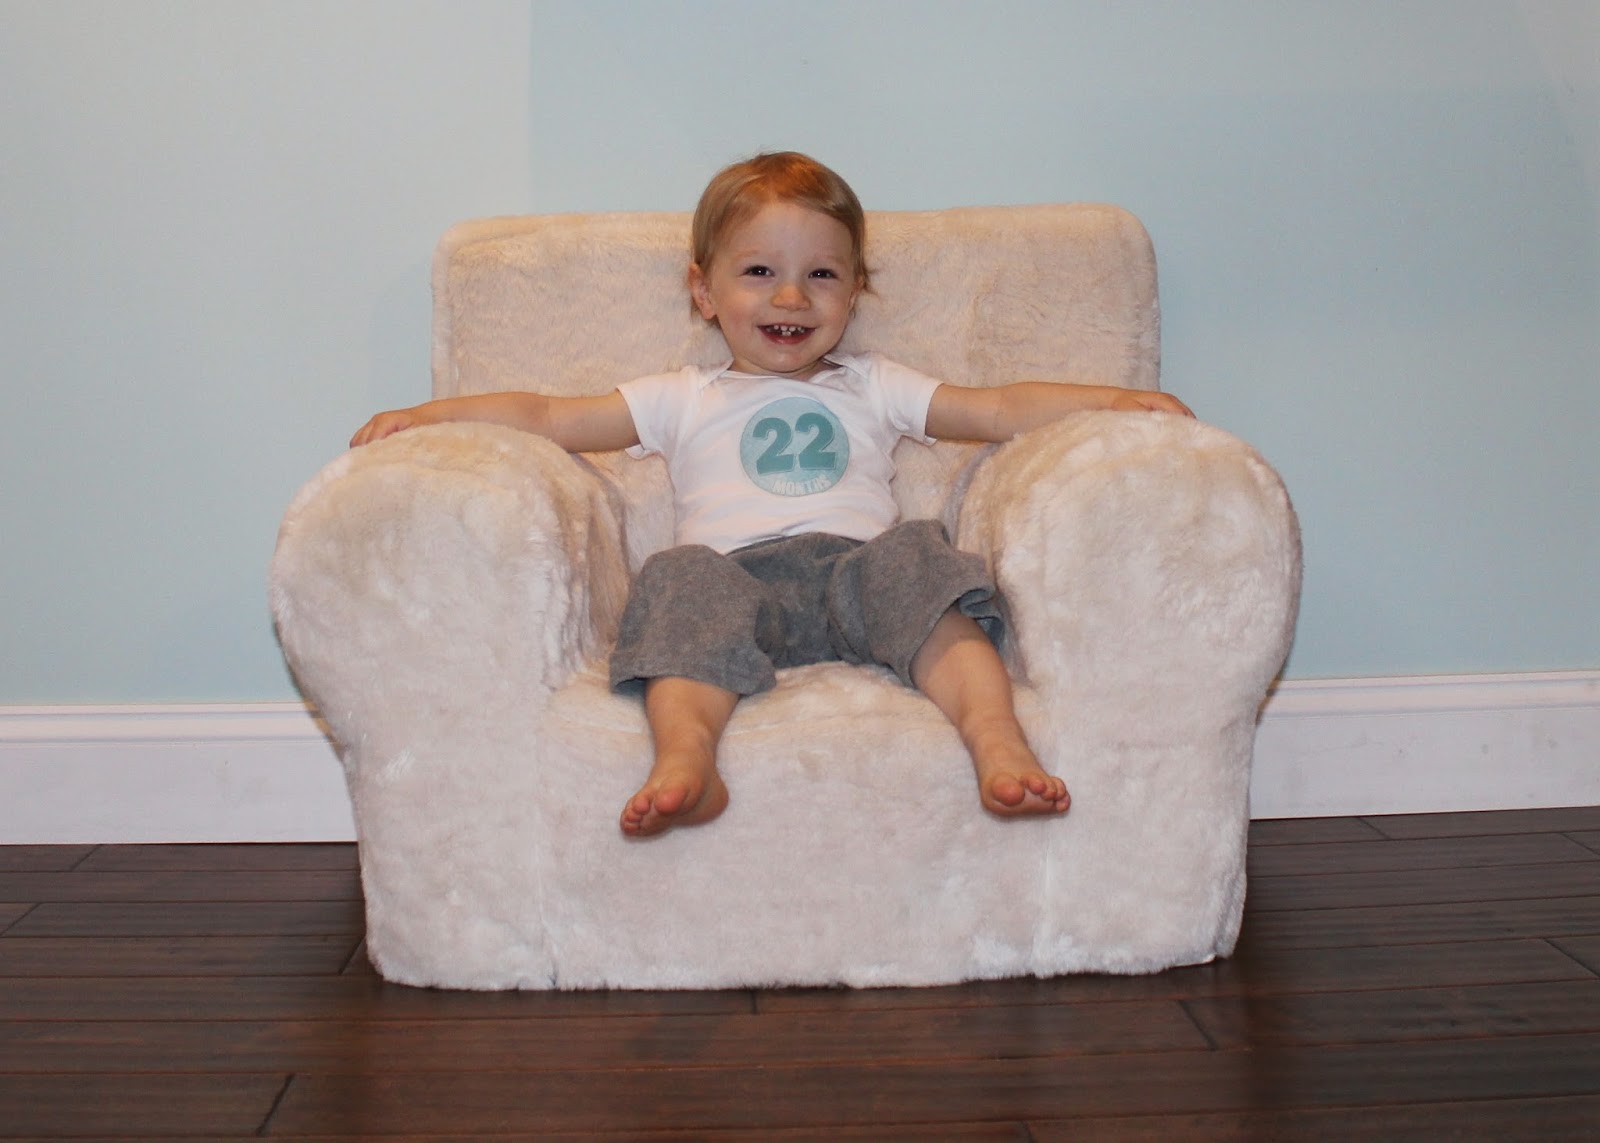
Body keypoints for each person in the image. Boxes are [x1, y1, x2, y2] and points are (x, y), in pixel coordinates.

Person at [350, 152, 1193, 838]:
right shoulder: (682, 395)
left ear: (854, 291)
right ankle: (688, 756)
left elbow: (998, 407)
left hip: (859, 576)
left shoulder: (873, 382)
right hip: (736, 580)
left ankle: (995, 738)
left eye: (821, 274)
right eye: (759, 271)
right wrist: (430, 415)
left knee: (919, 559)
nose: (791, 297)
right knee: (677, 575)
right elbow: (547, 416)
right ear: (703, 290)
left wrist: (1113, 398)